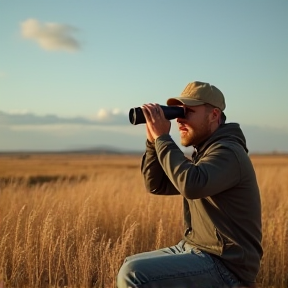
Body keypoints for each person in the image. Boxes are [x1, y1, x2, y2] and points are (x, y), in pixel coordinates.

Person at [117, 81, 263, 288]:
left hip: (227, 265)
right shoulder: (204, 154)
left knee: (134, 274)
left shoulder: (228, 153)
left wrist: (163, 138)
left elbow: (190, 185)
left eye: (188, 112)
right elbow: (156, 184)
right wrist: (152, 142)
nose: (179, 120)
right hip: (195, 249)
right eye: (177, 112)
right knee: (130, 263)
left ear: (214, 115)